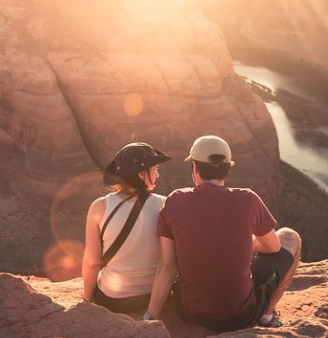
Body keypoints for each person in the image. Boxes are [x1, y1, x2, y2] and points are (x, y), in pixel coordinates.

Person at [145, 135, 301, 331]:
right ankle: (267, 316)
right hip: (241, 317)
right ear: (227, 169)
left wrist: (149, 318)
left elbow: (167, 265)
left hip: (191, 313)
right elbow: (274, 247)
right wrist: (248, 243)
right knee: (289, 236)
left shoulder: (175, 200)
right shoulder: (249, 200)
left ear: (194, 168)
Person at [82, 142, 170, 313]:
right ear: (142, 173)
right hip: (151, 296)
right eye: (155, 169)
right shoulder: (165, 204)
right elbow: (168, 262)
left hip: (112, 299)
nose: (158, 175)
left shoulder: (99, 206)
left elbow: (92, 262)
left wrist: (86, 300)